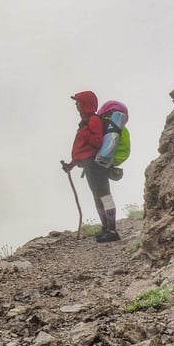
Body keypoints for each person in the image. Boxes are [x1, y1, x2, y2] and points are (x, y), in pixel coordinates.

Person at [61, 90, 120, 242]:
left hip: (96, 165)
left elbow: (96, 142)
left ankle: (112, 230)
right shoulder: (87, 121)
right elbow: (82, 149)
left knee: (104, 195)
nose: (76, 105)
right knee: (98, 196)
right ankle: (106, 228)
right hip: (90, 165)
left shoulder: (93, 120)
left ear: (86, 104)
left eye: (78, 102)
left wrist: (85, 128)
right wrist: (71, 165)